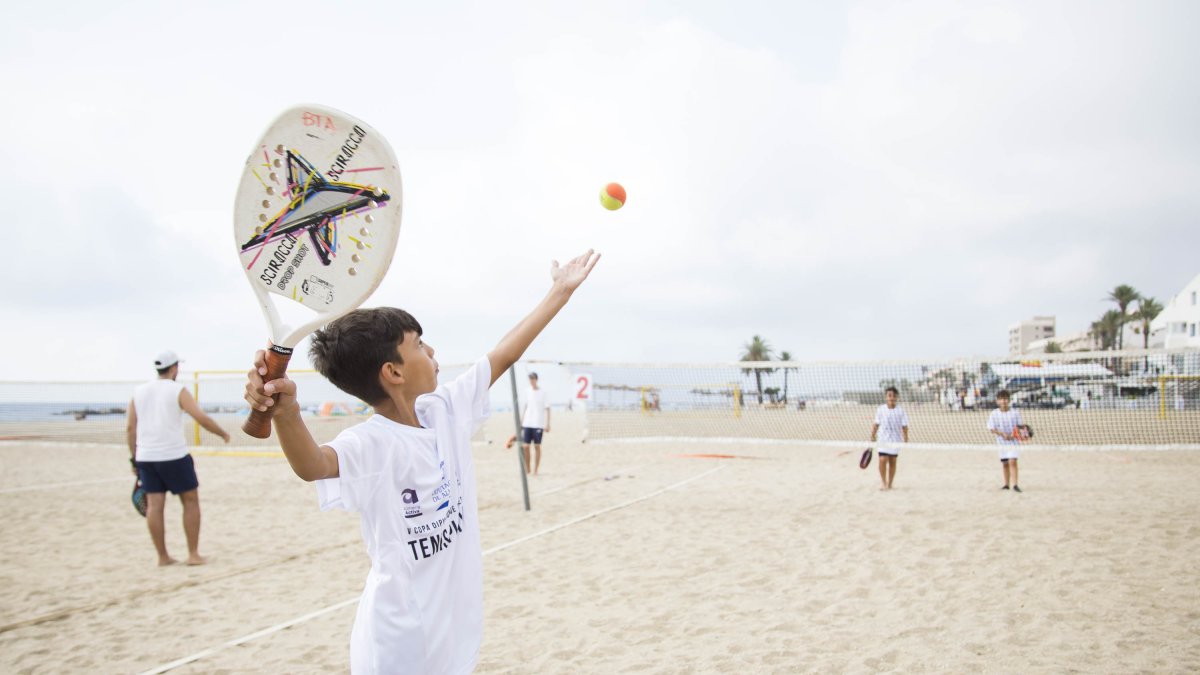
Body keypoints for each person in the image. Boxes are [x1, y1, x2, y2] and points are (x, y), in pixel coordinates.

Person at [243, 249, 599, 674]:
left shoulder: (443, 409)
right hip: (398, 640)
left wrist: (559, 292)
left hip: (450, 628)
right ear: (393, 372)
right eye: (418, 344)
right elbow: (314, 465)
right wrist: (286, 413)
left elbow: (504, 355)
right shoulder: (372, 443)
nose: (431, 349)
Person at [126, 350, 231, 566]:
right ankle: (193, 554)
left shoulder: (138, 391)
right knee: (190, 502)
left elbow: (130, 428)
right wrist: (222, 433)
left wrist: (133, 459)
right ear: (174, 368)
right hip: (173, 454)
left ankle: (162, 557)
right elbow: (200, 417)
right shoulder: (177, 390)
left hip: (146, 456)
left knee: (155, 506)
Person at [869, 386, 908, 490]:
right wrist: (872, 435)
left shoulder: (901, 411)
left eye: (893, 396)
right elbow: (876, 424)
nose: (891, 398)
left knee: (892, 462)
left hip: (895, 441)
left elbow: (904, 426)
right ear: (886, 397)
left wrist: (906, 437)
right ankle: (883, 482)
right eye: (889, 395)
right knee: (882, 459)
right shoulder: (881, 409)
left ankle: (890, 484)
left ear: (896, 397)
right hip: (883, 440)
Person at [987, 389, 1023, 492]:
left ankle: (1015, 484)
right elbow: (991, 428)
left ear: (1009, 400)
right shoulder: (994, 413)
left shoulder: (1015, 412)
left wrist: (1013, 435)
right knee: (1005, 463)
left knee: (1013, 461)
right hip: (1001, 442)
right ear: (998, 401)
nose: (1004, 401)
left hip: (1013, 441)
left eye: (1006, 399)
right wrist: (1002, 434)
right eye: (1001, 399)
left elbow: (1020, 426)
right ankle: (1006, 484)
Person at [520, 371, 550, 476]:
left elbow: (547, 408)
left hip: (538, 423)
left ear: (536, 379)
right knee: (525, 446)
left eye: (533, 378)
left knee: (537, 446)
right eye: (530, 379)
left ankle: (535, 470)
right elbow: (525, 406)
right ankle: (527, 468)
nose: (531, 381)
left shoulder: (543, 392)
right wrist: (521, 420)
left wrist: (548, 424)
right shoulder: (527, 391)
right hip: (527, 422)